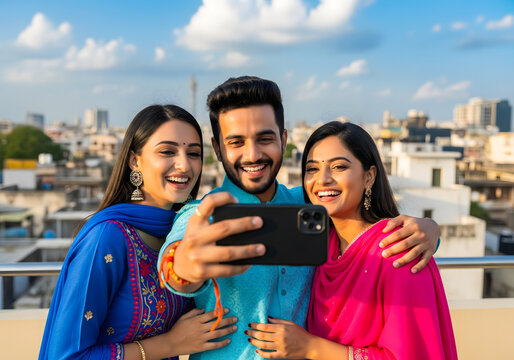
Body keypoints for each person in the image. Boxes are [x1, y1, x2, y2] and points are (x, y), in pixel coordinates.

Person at [158, 76, 442, 360]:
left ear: (283, 140)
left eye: (265, 138)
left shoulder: (309, 204)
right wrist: (185, 266)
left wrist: (428, 229)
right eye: (236, 142)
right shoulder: (200, 216)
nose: (253, 154)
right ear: (218, 149)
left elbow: (364, 232)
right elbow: (175, 268)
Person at [245, 121, 458, 359]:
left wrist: (310, 347)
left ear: (369, 177)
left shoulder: (397, 252)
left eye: (338, 167)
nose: (322, 180)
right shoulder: (321, 242)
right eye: (312, 169)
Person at [39, 105, 237, 360]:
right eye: (167, 151)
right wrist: (170, 345)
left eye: (194, 153)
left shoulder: (183, 233)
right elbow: (67, 356)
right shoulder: (108, 237)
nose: (184, 165)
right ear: (135, 161)